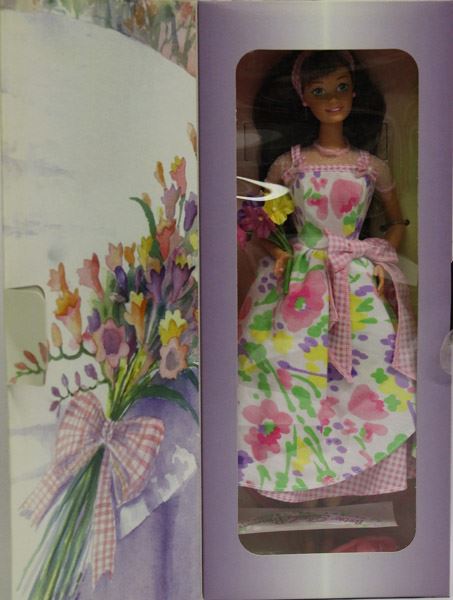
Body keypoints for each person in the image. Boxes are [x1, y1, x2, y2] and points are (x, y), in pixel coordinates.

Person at [238, 51, 416, 508]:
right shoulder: (289, 164)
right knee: (289, 370)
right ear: (304, 99)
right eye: (319, 91)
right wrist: (279, 252)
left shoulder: (370, 166)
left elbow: (397, 222)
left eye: (341, 87)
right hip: (300, 285)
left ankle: (353, 477)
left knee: (366, 372)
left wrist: (383, 259)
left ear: (355, 93)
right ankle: (294, 470)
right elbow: (259, 225)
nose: (332, 99)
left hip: (355, 279)